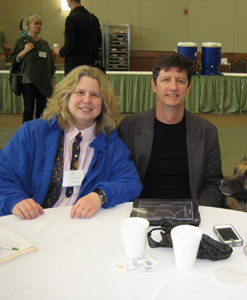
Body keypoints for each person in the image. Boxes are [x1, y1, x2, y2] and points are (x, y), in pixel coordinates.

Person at [0, 65, 142, 219]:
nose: (87, 100)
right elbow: (4, 174)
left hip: (83, 225)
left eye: (95, 95)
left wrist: (100, 195)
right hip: (36, 221)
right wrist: (16, 200)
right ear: (66, 96)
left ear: (104, 103)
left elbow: (130, 182)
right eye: (80, 92)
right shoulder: (33, 133)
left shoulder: (112, 144)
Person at [118, 53, 223, 207]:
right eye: (166, 80)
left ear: (188, 88)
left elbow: (213, 184)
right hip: (141, 213)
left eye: (180, 81)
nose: (173, 87)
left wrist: (196, 212)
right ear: (154, 86)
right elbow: (120, 178)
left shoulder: (207, 131)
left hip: (189, 215)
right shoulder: (129, 127)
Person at [9, 14, 55, 123]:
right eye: (36, 23)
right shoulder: (20, 42)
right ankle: (27, 132)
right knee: (29, 108)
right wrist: (25, 51)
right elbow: (13, 59)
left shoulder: (44, 44)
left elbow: (50, 65)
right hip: (27, 81)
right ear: (28, 25)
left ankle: (40, 131)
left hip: (43, 82)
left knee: (42, 108)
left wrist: (52, 82)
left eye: (40, 24)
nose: (38, 26)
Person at [53, 0, 102, 75]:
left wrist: (59, 51)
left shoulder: (71, 19)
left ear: (70, 0)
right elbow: (99, 41)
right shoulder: (93, 18)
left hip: (76, 68)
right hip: (92, 67)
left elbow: (70, 47)